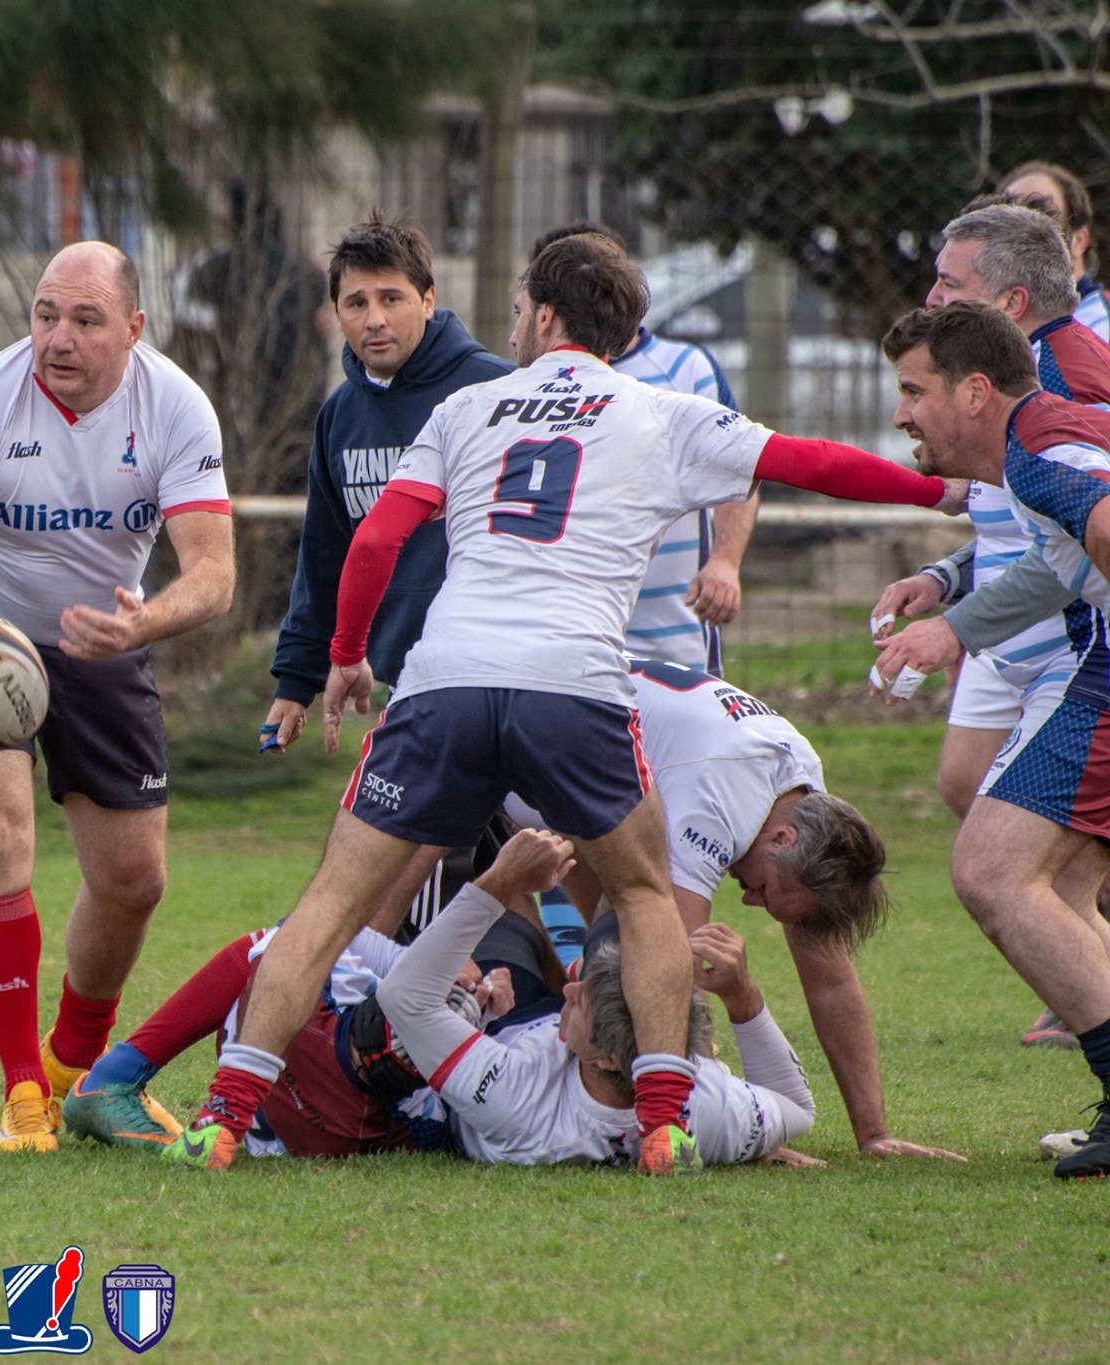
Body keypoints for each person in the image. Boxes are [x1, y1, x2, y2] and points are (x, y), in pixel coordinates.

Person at [160, 232, 966, 1176]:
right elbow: (813, 460)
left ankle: (222, 1119)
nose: (509, 324)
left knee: (331, 907)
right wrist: (938, 486)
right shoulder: (662, 411)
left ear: (544, 315)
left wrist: (344, 656)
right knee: (641, 896)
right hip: (572, 687)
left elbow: (377, 541)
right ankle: (663, 1124)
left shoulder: (467, 405)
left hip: (447, 679)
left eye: (516, 309)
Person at [0, 240, 235, 1153]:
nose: (57, 339)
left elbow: (215, 574)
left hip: (102, 635)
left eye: (85, 320)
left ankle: (75, 1068)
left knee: (134, 881)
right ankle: (23, 1089)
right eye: (45, 315)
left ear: (134, 329)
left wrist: (138, 629)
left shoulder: (176, 407)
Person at [69, 829, 815, 1168]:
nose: (578, 981)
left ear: (604, 1050)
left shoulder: (519, 1097)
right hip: (486, 1042)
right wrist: (745, 999)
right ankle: (488, 823)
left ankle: (118, 1079)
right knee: (515, 949)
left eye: (586, 996)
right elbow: (796, 1107)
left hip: (372, 1098)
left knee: (285, 946)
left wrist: (493, 888)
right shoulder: (702, 1106)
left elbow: (402, 994)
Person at [513, 659, 962, 1162]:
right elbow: (665, 979)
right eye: (765, 891)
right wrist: (733, 1127)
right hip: (514, 740)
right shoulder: (714, 802)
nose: (749, 899)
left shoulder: (796, 787)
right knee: (616, 969)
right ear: (782, 838)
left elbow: (830, 980)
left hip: (565, 746)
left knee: (606, 953)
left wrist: (874, 1135)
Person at [871, 299, 1110, 1179]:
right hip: (1095, 663)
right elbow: (1060, 567)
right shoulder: (1036, 447)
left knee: (991, 870)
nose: (901, 414)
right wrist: (954, 625)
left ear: (974, 392)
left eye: (912, 390)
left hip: (1105, 673)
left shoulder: (1044, 455)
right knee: (1069, 885)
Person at [260, 212, 511, 930]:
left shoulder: (493, 392)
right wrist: (296, 679)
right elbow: (326, 552)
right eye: (356, 302)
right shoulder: (341, 415)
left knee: (420, 888)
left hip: (498, 678)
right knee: (476, 887)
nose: (375, 318)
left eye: (392, 298)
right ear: (334, 312)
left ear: (429, 300)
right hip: (411, 685)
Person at [529, 223, 758, 673]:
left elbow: (745, 470)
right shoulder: (534, 384)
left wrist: (725, 562)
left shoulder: (686, 369)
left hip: (673, 641)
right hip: (570, 641)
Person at [1000, 161, 1108, 341]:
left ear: (1079, 240)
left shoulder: (1101, 330)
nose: (1024, 231)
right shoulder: (1006, 326)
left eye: (1044, 215)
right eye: (1010, 217)